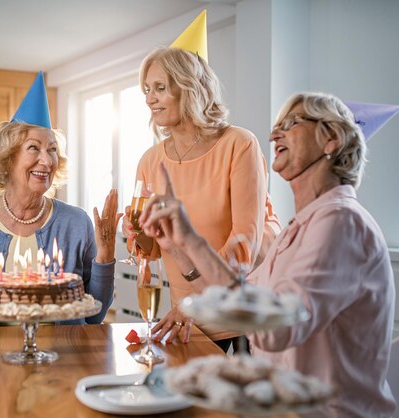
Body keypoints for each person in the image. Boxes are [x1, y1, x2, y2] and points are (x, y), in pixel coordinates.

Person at [140, 92, 396, 417]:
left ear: (331, 139)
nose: (274, 134)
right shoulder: (303, 226)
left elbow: (275, 333)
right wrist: (182, 246)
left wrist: (193, 241)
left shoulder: (340, 221)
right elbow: (236, 300)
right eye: (276, 127)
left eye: (291, 124)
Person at [122, 46, 280, 350]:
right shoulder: (149, 161)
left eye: (160, 88)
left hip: (242, 312)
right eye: (146, 89)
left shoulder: (238, 144)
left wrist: (195, 301)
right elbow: (153, 248)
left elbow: (246, 243)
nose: (149, 98)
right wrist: (137, 234)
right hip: (186, 316)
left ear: (189, 89)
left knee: (235, 396)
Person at [0, 73, 121, 327]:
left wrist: (106, 256)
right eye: (34, 148)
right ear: (9, 158)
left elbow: (94, 315)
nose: (46, 160)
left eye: (52, 150)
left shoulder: (76, 223)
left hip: (63, 359)